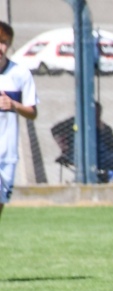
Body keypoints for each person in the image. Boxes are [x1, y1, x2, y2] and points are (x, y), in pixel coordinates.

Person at [0, 20, 38, 221]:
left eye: (4, 42)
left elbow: (32, 112)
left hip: (7, 154)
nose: (1, 47)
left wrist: (13, 105)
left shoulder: (20, 74)